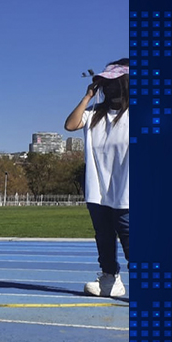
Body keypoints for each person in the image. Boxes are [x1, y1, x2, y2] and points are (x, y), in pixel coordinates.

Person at [65, 59, 130, 297]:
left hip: (127, 190)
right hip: (97, 189)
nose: (109, 88)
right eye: (105, 83)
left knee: (129, 235)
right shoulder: (93, 115)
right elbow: (70, 125)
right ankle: (110, 280)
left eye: (114, 83)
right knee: (103, 235)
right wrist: (87, 98)